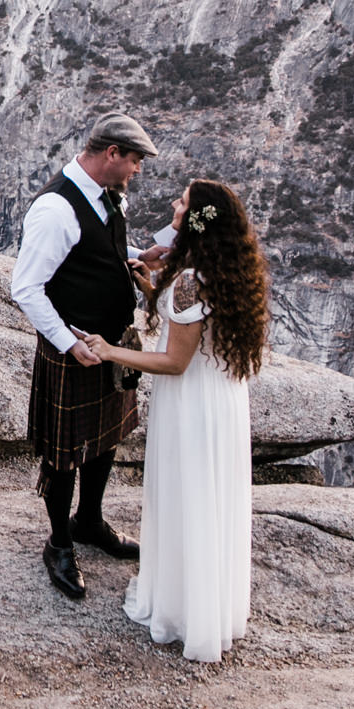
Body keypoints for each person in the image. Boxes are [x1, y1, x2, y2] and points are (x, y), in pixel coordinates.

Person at [81, 178, 267, 661]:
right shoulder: (222, 271)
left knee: (186, 493)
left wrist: (111, 351)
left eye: (182, 202)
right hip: (221, 396)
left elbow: (175, 362)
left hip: (190, 402)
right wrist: (150, 287)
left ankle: (180, 609)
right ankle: (210, 606)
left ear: (198, 219)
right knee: (208, 498)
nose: (173, 204)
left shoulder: (190, 281)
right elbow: (190, 327)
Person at [9, 113, 170, 601]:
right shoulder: (56, 209)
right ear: (112, 155)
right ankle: (59, 542)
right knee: (63, 455)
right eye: (136, 160)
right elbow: (26, 288)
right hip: (74, 350)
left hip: (111, 343)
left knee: (104, 440)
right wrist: (67, 343)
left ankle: (89, 521)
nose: (138, 169)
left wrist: (142, 253)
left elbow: (98, 249)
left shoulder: (105, 197)